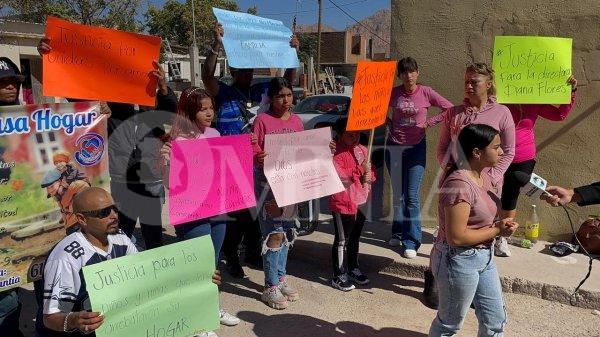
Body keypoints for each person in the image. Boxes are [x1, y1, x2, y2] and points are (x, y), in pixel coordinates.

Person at [38, 38, 177, 250]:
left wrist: (164, 88)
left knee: (154, 236)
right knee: (120, 233)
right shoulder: (112, 104)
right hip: (122, 181)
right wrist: (51, 57)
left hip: (150, 178)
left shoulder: (155, 100)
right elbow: (75, 94)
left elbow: (172, 114)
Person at [35, 187, 222, 337]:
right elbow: (50, 318)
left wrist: (197, 277)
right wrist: (75, 320)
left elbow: (149, 276)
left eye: (115, 208)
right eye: (104, 212)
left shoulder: (120, 237)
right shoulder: (66, 258)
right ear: (82, 219)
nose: (114, 215)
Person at [425, 62, 515, 309]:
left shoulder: (502, 113)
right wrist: (455, 172)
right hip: (457, 185)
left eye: (473, 81)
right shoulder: (454, 113)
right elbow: (442, 148)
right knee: (446, 234)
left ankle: (476, 283)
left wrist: (491, 177)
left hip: (487, 186)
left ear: (488, 84)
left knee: (482, 229)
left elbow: (508, 151)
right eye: (465, 81)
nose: (468, 86)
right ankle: (434, 278)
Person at [159, 87, 241, 332]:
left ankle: (210, 306)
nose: (209, 113)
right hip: (191, 214)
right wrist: (166, 160)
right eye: (202, 109)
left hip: (217, 209)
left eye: (211, 108)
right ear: (189, 111)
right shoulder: (176, 142)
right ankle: (195, 317)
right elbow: (168, 183)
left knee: (212, 263)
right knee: (196, 265)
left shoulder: (215, 133)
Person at [429, 124, 519, 337]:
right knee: (449, 324)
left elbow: (484, 219)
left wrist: (502, 224)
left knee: (495, 321)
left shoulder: (484, 176)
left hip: (484, 258)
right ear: (477, 153)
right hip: (458, 260)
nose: (502, 152)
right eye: (496, 147)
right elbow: (457, 237)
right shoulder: (459, 184)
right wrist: (497, 230)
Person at [202, 23, 263, 278]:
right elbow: (207, 76)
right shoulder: (224, 92)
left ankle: (251, 253)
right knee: (234, 214)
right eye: (242, 70)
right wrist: (217, 44)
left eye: (250, 70)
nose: (246, 74)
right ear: (234, 70)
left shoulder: (262, 91)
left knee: (252, 214)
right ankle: (231, 257)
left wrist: (292, 53)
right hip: (229, 162)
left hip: (256, 162)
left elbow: (287, 84)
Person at [496, 75, 578, 257]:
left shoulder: (534, 99)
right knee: (491, 193)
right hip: (496, 153)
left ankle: (501, 237)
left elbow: (559, 115)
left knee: (510, 195)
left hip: (523, 156)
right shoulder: (499, 97)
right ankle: (486, 231)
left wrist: (570, 92)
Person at [386, 57, 453, 258]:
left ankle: (411, 241)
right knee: (398, 194)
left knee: (411, 196)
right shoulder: (394, 93)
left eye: (412, 71)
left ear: (418, 73)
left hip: (416, 148)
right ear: (400, 75)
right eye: (405, 72)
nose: (409, 76)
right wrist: (387, 122)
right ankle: (397, 232)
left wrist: (430, 122)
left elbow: (449, 109)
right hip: (394, 147)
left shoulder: (426, 92)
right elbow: (376, 107)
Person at [252, 77, 304, 309]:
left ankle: (281, 278)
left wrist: (326, 148)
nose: (285, 100)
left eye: (289, 95)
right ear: (271, 99)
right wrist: (258, 155)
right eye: (280, 96)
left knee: (285, 233)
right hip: (267, 186)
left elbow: (305, 150)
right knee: (273, 233)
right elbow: (253, 148)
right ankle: (269, 286)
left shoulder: (297, 121)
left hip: (290, 185)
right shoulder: (262, 121)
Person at [329, 118, 376, 291]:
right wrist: (360, 171)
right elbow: (341, 177)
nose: (354, 137)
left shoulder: (364, 150)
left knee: (355, 237)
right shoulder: (335, 154)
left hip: (362, 200)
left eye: (357, 133)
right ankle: (338, 274)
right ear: (339, 135)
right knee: (342, 240)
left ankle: (352, 267)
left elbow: (371, 173)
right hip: (343, 202)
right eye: (349, 134)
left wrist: (370, 175)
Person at [0, 56, 25, 337]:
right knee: (6, 301)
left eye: (14, 82)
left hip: (20, 217)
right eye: (3, 82)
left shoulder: (30, 117)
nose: (10, 87)